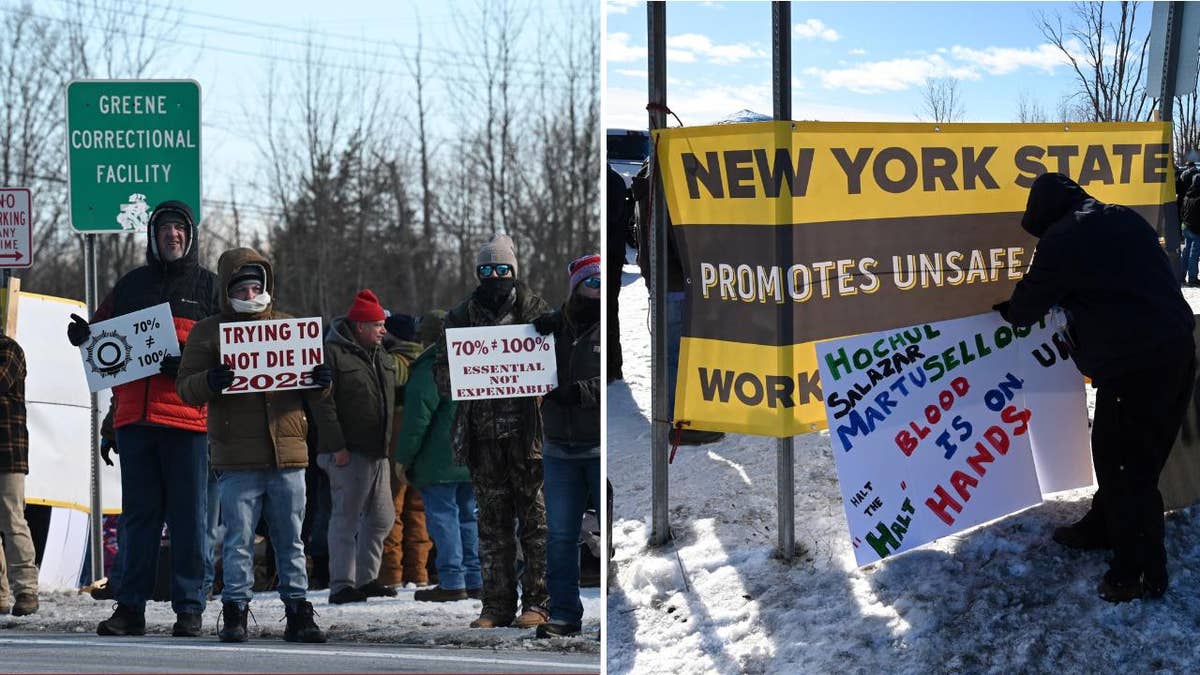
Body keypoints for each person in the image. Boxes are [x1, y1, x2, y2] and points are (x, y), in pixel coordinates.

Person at [995, 172, 1196, 603]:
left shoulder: (1064, 237)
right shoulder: (1121, 216)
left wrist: (1011, 308)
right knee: (1122, 453)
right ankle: (1103, 525)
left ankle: (1138, 571)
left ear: (1045, 214)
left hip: (1137, 365)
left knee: (1127, 468)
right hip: (1176, 349)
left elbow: (1026, 307)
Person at [67, 201, 218, 638]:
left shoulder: (208, 287)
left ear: (189, 236)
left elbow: (226, 356)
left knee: (190, 520)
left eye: (180, 228)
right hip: (135, 421)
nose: (172, 234)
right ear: (153, 237)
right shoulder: (131, 285)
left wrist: (188, 365)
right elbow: (102, 345)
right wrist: (82, 336)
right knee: (138, 520)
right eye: (165, 228)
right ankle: (130, 608)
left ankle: (189, 608)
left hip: (189, 423)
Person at [176, 248, 330, 642]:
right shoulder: (209, 331)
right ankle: (235, 612)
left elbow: (317, 394)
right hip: (237, 456)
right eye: (241, 287)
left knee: (290, 540)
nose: (250, 293)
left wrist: (322, 381)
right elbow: (185, 387)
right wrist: (211, 380)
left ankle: (298, 611)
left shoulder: (288, 327)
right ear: (227, 290)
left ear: (267, 287)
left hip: (288, 452)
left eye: (256, 286)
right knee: (238, 541)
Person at [437, 233, 551, 628]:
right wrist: (460, 377)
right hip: (482, 437)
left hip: (526, 436)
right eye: (487, 270)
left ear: (514, 271)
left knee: (536, 525)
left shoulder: (536, 311)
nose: (495, 276)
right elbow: (442, 373)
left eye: (503, 269)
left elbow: (555, 365)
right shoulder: (460, 317)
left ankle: (539, 602)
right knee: (491, 526)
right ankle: (496, 605)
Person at [311, 290, 399, 604]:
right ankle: (341, 584)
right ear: (360, 326)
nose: (383, 330)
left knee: (382, 518)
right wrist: (337, 447)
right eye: (377, 325)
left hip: (378, 453)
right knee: (345, 519)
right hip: (348, 452)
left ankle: (367, 579)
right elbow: (323, 404)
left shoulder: (382, 355)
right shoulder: (331, 354)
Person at [531, 254, 601, 638]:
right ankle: (563, 614)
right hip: (559, 447)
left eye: (603, 284)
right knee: (560, 536)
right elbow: (514, 365)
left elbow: (615, 379)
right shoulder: (552, 330)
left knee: (606, 535)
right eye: (591, 283)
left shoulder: (608, 327)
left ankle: (613, 610)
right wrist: (531, 335)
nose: (597, 291)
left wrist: (578, 394)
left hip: (598, 447)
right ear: (576, 287)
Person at [631, 161, 724, 445]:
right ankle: (682, 421)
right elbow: (684, 239)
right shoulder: (668, 185)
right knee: (680, 355)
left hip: (662, 279)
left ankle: (675, 416)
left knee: (672, 354)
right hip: (678, 281)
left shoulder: (645, 182)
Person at [394, 310, 482, 602]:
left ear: (426, 337)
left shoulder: (429, 368)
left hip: (439, 459)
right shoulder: (473, 362)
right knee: (469, 518)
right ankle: (475, 577)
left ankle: (452, 580)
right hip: (472, 457)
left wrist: (404, 459)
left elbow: (417, 420)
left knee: (444, 519)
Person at [377, 313, 434, 589]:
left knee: (392, 510)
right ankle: (419, 572)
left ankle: (390, 574)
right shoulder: (428, 361)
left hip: (396, 442)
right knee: (418, 509)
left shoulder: (393, 363)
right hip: (426, 444)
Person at [0, 334, 36, 617]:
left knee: (12, 520)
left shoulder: (9, 349)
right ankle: (1, 595)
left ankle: (26, 591)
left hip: (7, 450)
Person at [607, 164, 632, 382]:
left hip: (610, 257)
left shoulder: (611, 181)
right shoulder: (614, 180)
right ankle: (612, 366)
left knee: (608, 313)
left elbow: (613, 218)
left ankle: (612, 367)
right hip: (612, 254)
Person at [1181, 174, 1200, 287]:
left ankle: (1181, 275)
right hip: (1196, 229)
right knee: (1194, 254)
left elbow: (1182, 211)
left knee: (1186, 252)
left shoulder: (1187, 196)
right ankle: (1192, 278)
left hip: (1186, 227)